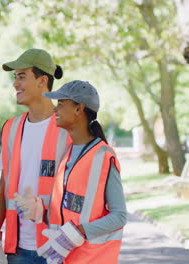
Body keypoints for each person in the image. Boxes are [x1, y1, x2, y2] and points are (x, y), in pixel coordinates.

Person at [19, 80, 127, 263]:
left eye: (61, 104)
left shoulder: (103, 155)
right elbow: (69, 208)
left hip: (92, 259)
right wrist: (41, 211)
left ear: (79, 109)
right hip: (65, 259)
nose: (55, 110)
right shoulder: (67, 154)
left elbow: (119, 216)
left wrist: (79, 232)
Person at [0, 48, 71, 264]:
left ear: (43, 81)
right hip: (19, 249)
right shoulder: (11, 128)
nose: (15, 84)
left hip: (57, 246)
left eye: (22, 76)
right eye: (15, 77)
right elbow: (4, 184)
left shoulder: (68, 128)